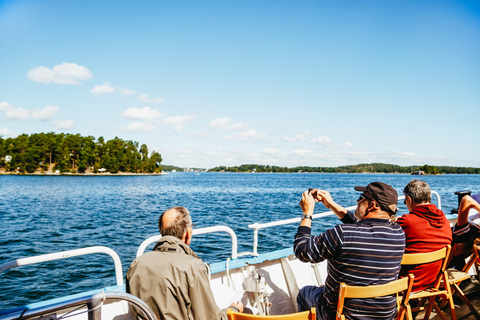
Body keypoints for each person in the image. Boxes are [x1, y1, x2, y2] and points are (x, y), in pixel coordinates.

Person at [294, 182, 405, 320]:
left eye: (361, 197)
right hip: (384, 315)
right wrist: (331, 205)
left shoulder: (342, 234)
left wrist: (307, 213)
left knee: (305, 293)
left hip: (342, 315)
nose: (357, 201)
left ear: (373, 205)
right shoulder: (399, 233)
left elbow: (302, 251)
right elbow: (362, 228)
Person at [126, 206, 243, 320]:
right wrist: (234, 309)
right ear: (187, 233)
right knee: (247, 312)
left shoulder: (137, 264)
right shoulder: (192, 266)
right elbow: (209, 317)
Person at [396, 180, 452, 292]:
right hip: (432, 281)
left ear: (409, 200)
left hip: (407, 283)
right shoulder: (444, 220)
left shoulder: (407, 222)